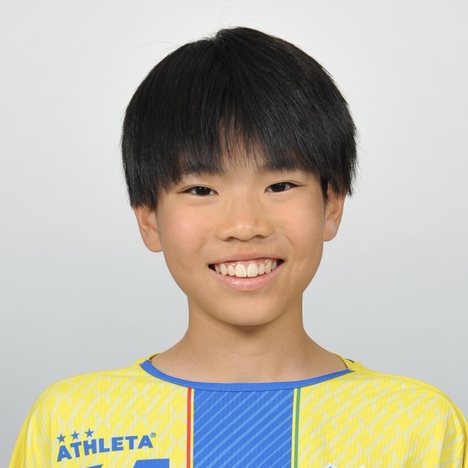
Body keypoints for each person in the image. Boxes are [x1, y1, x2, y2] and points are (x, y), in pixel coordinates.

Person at [10, 27, 467, 468]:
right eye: (201, 189)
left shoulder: (417, 425)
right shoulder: (71, 420)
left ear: (332, 204)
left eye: (280, 185)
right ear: (148, 218)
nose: (244, 226)